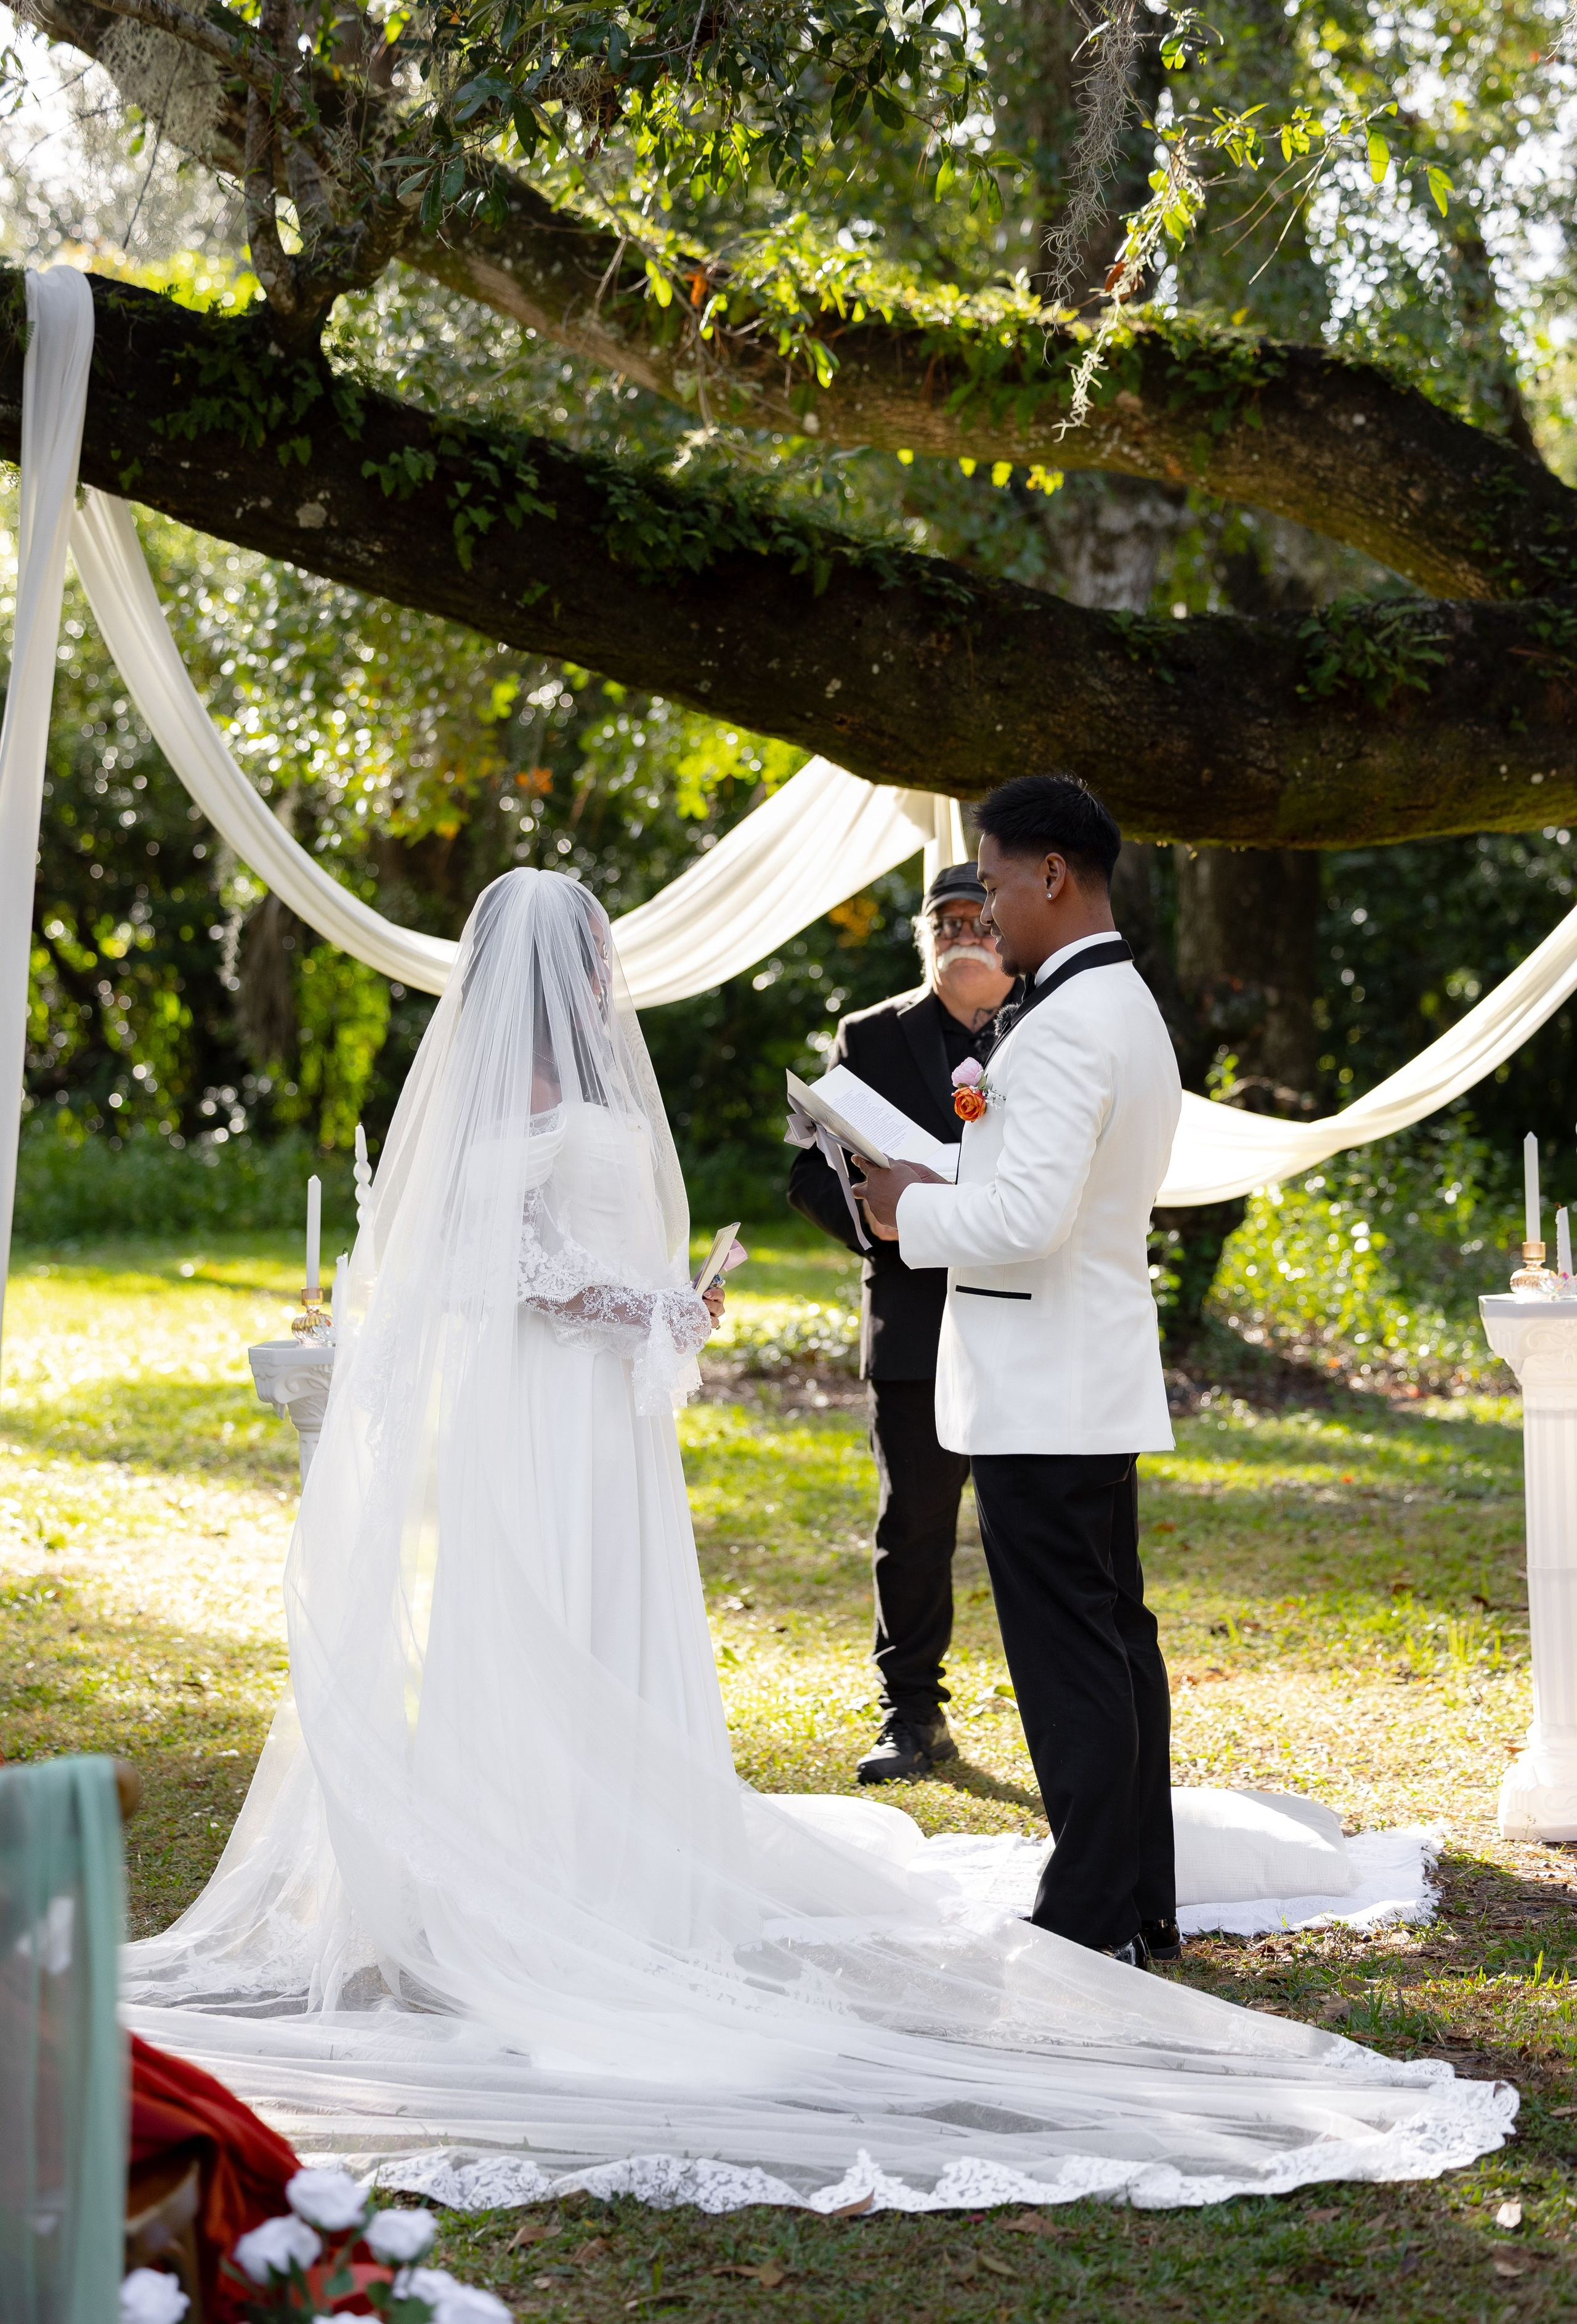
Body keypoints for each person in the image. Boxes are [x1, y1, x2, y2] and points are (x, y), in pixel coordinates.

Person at [120, 867, 1511, 2212]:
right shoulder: (523, 1105)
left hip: (588, 1413)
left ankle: (604, 1842)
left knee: (588, 1604)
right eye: (593, 948)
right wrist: (643, 1308)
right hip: (551, 1410)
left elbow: (576, 1268)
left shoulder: (576, 1096)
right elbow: (517, 1271)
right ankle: (540, 1854)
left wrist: (661, 1304)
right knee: (541, 1603)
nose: (605, 969)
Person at [856, 776, 1182, 1968]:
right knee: (1116, 1640)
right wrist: (947, 1180)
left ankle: (1091, 1919)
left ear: (1054, 874)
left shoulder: (1066, 1025)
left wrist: (908, 1214)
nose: (983, 912)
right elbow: (1058, 1193)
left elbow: (1033, 1220)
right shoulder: (1121, 1004)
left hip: (1045, 1385)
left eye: (992, 884)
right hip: (1085, 1368)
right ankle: (1141, 1898)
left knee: (1069, 1660)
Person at [788, 863, 1013, 1782]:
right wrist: (879, 1223)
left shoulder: (1047, 1026)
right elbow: (810, 1174)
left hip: (1026, 1314)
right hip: (916, 1316)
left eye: (980, 916)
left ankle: (1060, 1705)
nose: (965, 930)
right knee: (913, 1523)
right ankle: (912, 1714)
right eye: (946, 919)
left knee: (1030, 1526)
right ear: (925, 935)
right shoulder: (870, 1038)